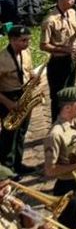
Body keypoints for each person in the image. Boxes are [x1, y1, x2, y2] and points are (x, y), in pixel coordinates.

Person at [43, 87, 76, 229]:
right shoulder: (55, 135)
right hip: (69, 187)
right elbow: (50, 170)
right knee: (71, 227)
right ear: (67, 108)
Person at [41, 0, 76, 122]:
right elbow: (43, 45)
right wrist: (65, 50)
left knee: (70, 93)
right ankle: (56, 123)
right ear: (60, 0)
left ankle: (69, 120)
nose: (73, 1)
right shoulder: (50, 20)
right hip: (58, 63)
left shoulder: (72, 13)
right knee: (59, 97)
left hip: (71, 60)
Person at [0, 25, 35, 177]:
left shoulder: (26, 52)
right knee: (9, 135)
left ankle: (18, 164)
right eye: (23, 40)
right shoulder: (2, 59)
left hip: (24, 95)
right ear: (12, 40)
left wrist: (33, 77)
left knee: (21, 132)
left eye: (28, 40)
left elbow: (28, 70)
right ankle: (7, 170)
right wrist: (8, 103)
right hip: (9, 97)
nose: (27, 43)